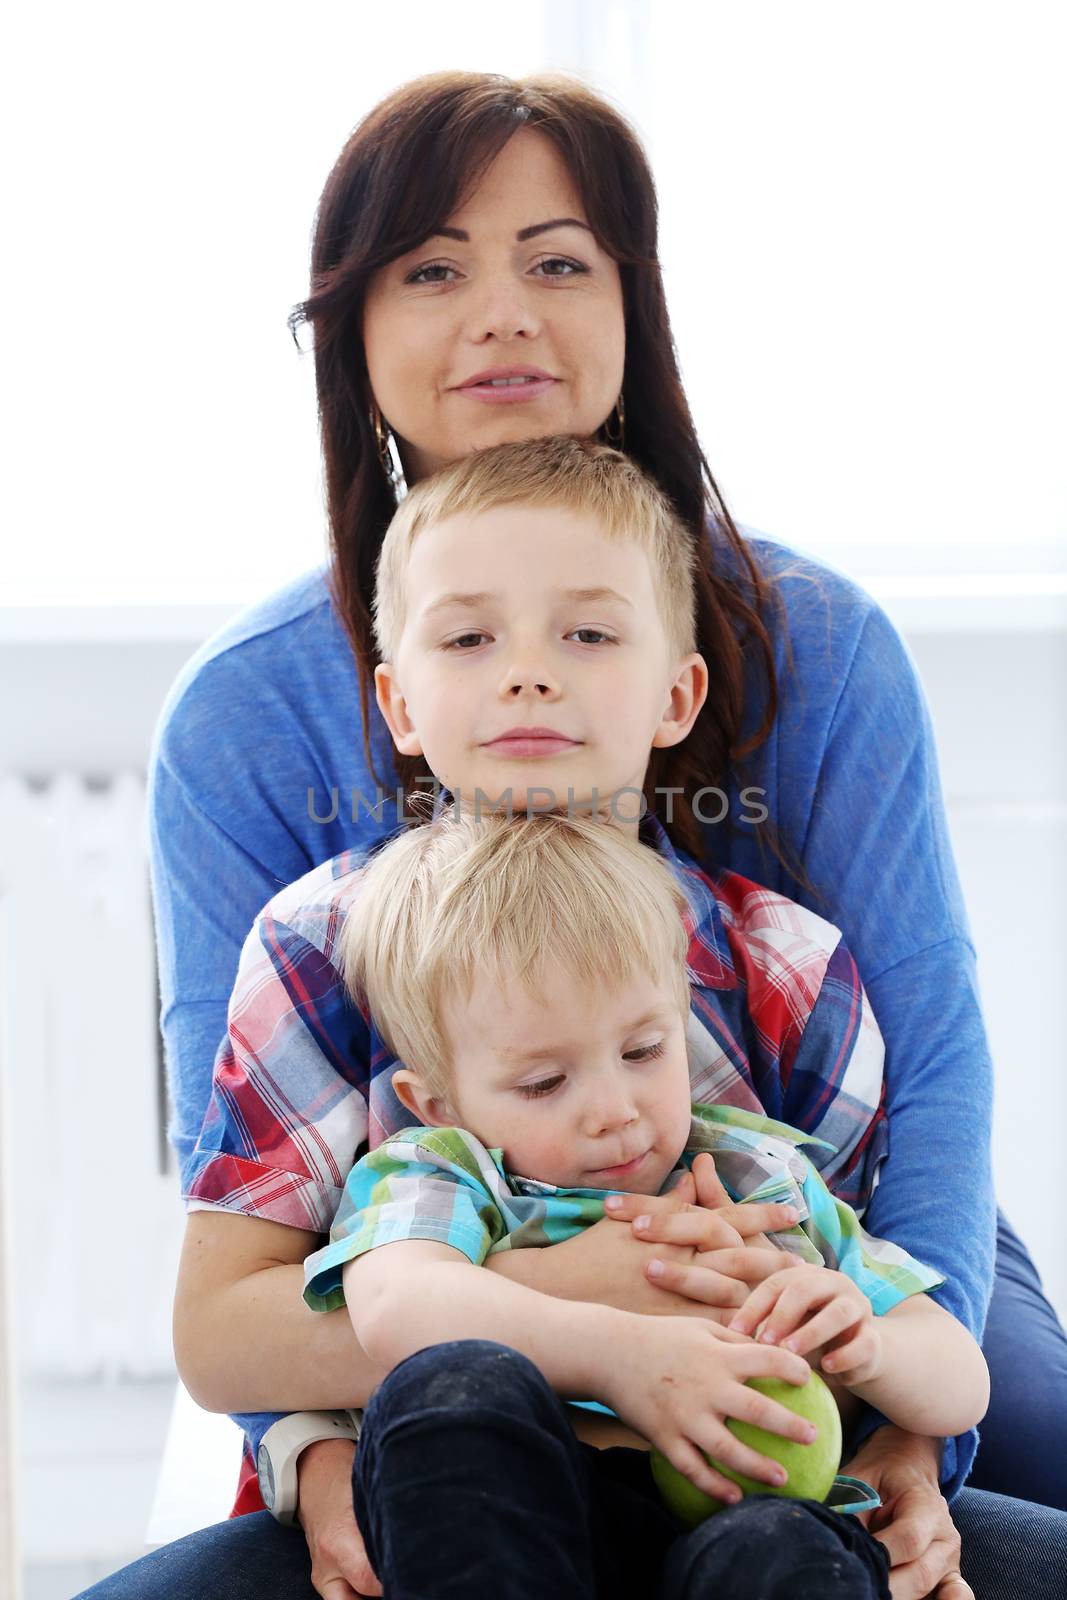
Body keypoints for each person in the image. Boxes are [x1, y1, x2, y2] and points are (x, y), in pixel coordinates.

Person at [78, 70, 1067, 1600]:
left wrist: (896, 1433)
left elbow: (927, 1073)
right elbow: (254, 1207)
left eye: (557, 261)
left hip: (799, 1210)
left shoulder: (814, 649)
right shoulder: (246, 723)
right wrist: (321, 1434)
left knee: (1035, 1448)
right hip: (409, 1245)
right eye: (431, 268)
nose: (502, 313)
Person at [296, 798, 988, 1598]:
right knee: (445, 1390)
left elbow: (959, 1382)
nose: (614, 1111)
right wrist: (617, 1357)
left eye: (644, 1050)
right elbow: (397, 1306)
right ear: (440, 1104)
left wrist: (866, 1341)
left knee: (792, 1552)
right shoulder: (447, 1171)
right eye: (544, 1082)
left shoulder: (754, 1169)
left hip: (741, 1518)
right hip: (534, 1518)